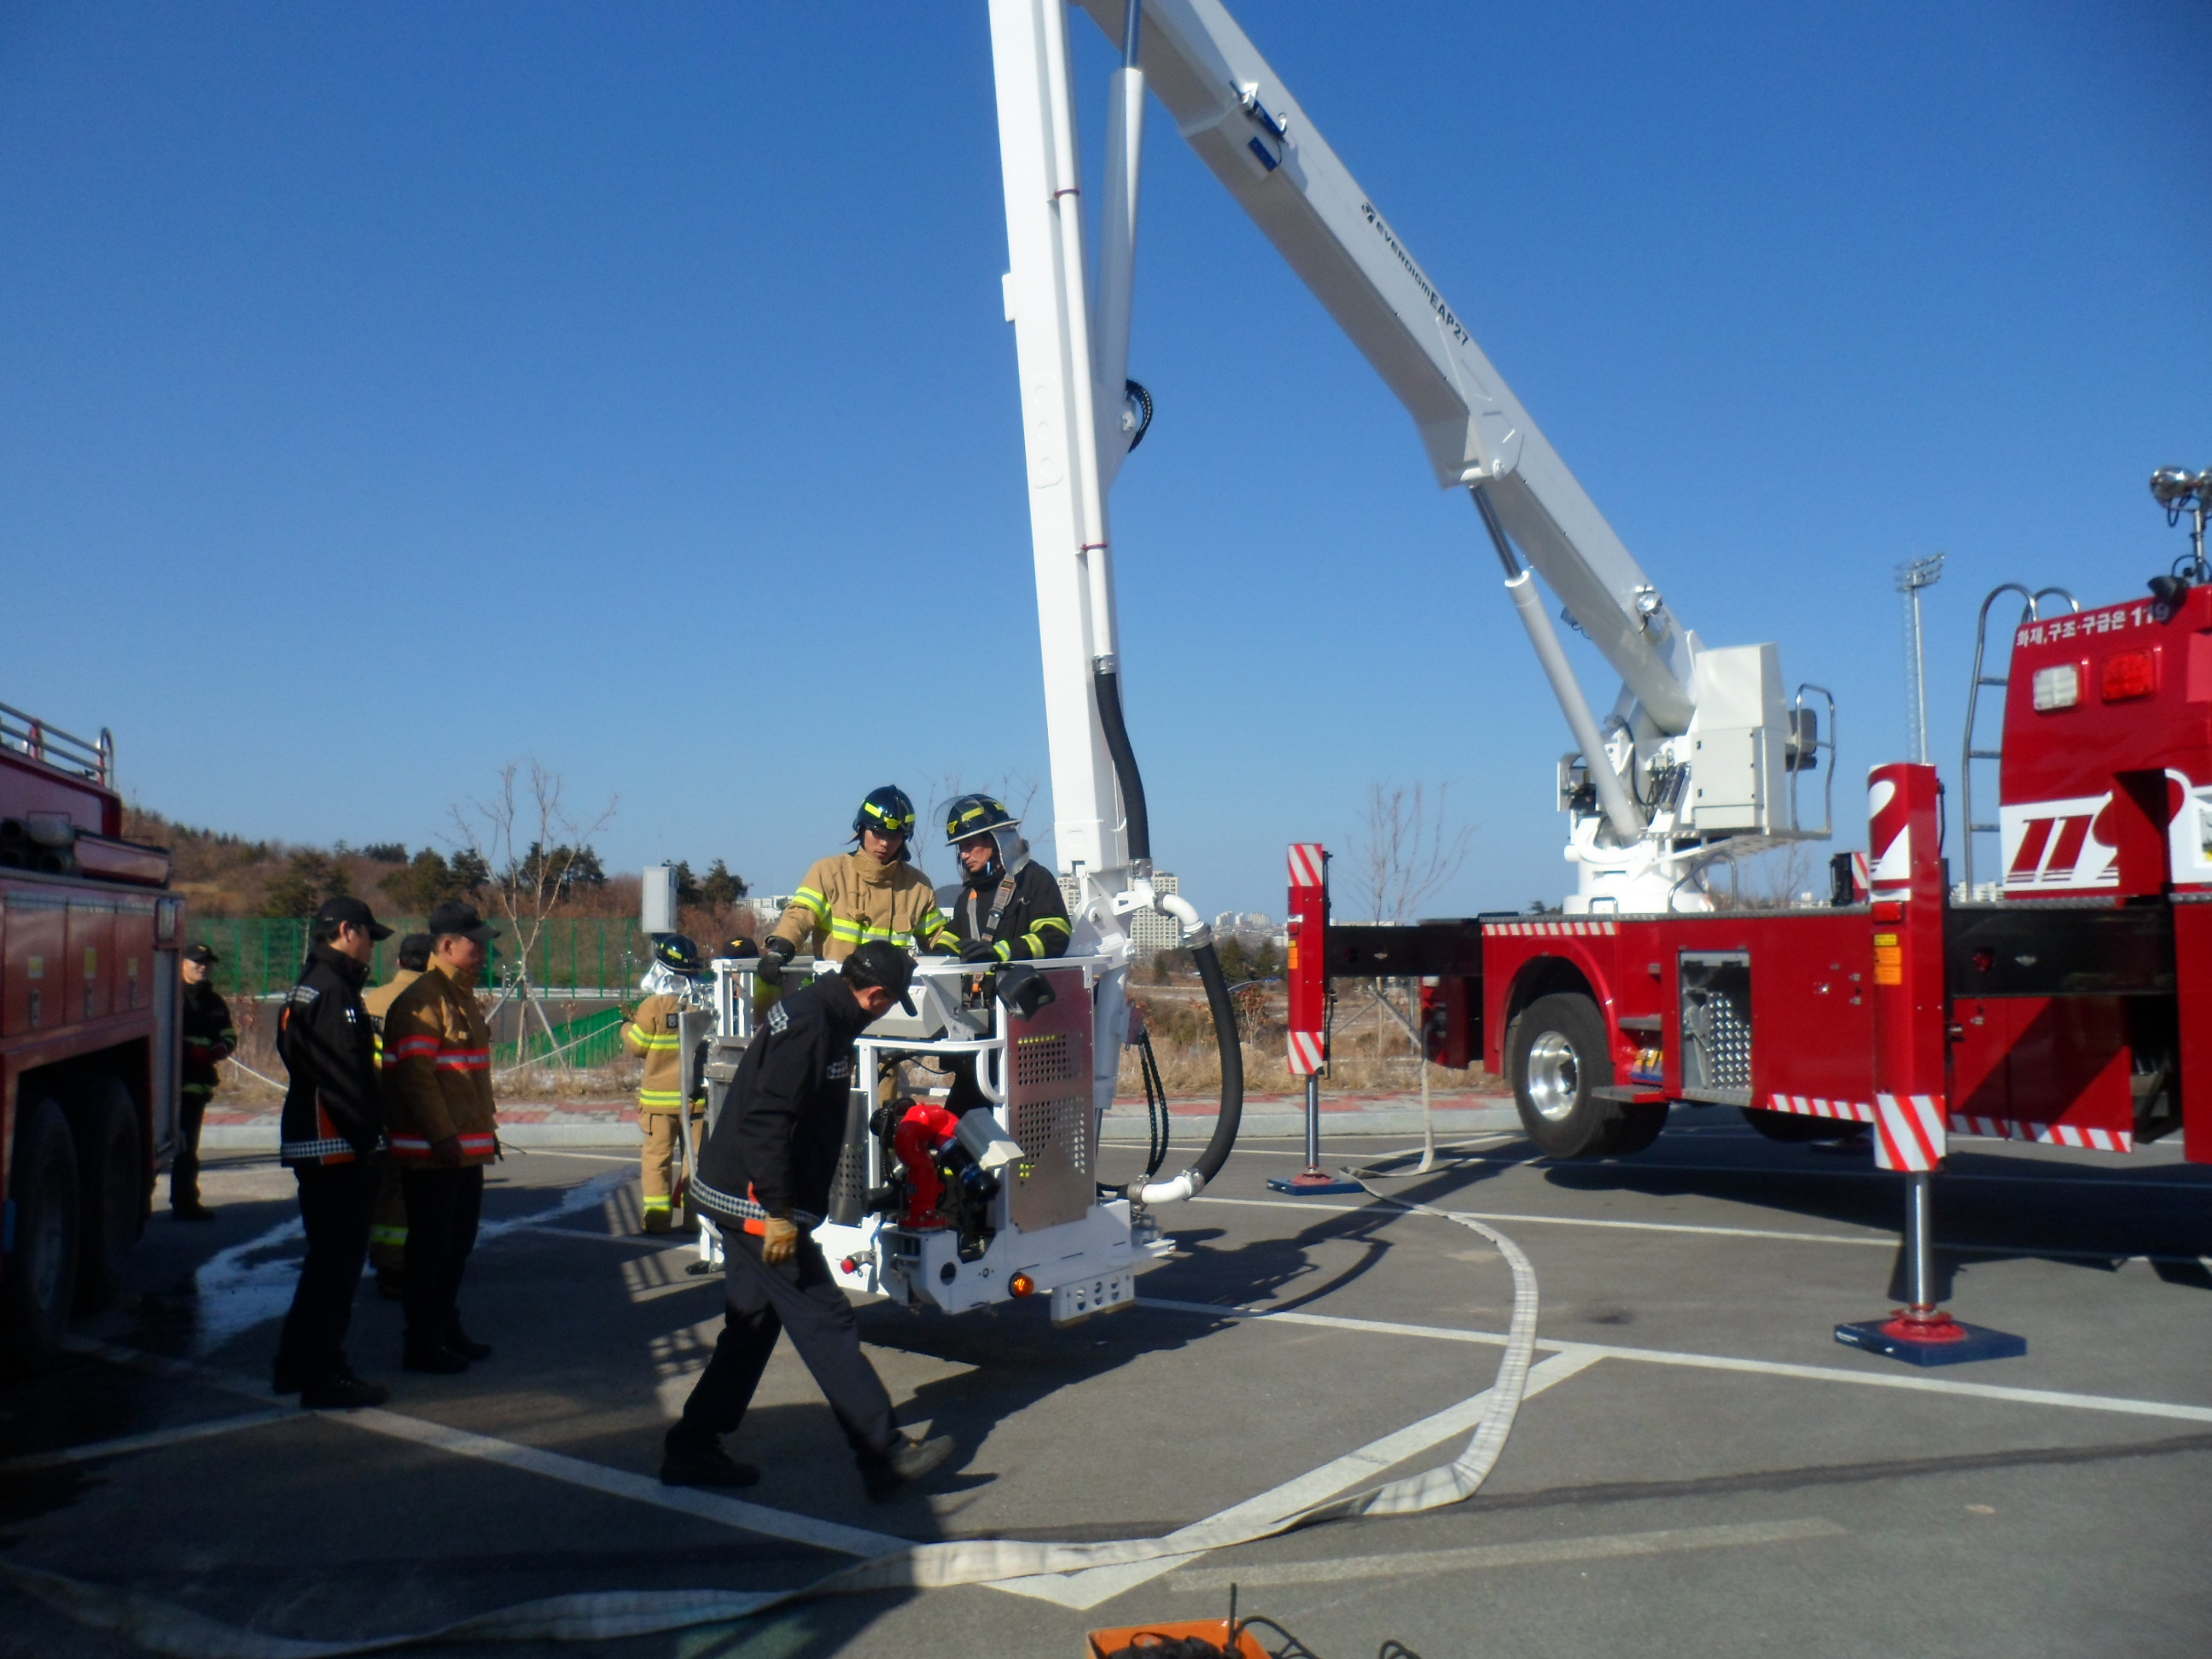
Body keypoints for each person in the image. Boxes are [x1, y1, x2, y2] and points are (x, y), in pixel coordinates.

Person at [666, 940, 955, 1501]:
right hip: (758, 1204)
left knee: (752, 1326)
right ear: (876, 995)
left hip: (745, 1194)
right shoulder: (813, 1024)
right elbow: (767, 1119)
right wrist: (777, 1212)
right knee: (825, 1320)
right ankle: (883, 1453)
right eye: (889, 1003)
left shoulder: (818, 1011)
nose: (884, 1013)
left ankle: (692, 1446)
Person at [271, 897, 394, 1409]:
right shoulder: (334, 990)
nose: (372, 948)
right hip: (336, 1148)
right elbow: (344, 1077)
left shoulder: (308, 983)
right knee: (336, 1269)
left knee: (323, 1263)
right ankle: (324, 1374)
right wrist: (370, 1142)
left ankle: (296, 1365)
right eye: (369, 937)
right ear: (347, 930)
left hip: (317, 1141)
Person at [385, 900, 502, 1375]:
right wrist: (442, 1135)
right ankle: (423, 1342)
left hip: (463, 1149)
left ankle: (445, 1328)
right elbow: (417, 1079)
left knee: (456, 1248)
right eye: (476, 943)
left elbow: (468, 1078)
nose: (484, 951)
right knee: (431, 1251)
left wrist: (483, 1131)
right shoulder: (423, 1000)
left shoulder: (460, 996)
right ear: (448, 945)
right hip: (435, 1153)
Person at [939, 794, 1072, 1115]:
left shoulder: (1034, 880)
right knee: (957, 1125)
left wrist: (1000, 953)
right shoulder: (968, 897)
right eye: (960, 847)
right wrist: (932, 960)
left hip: (1027, 1035)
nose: (964, 854)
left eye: (970, 844)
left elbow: (1055, 935)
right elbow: (950, 942)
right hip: (979, 1034)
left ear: (996, 840)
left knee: (1023, 1124)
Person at [756, 787, 958, 989]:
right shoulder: (828, 872)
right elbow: (800, 915)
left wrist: (957, 949)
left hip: (892, 998)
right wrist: (780, 949)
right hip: (837, 993)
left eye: (894, 836)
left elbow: (936, 936)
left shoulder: (918, 887)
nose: (885, 843)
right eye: (878, 833)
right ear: (861, 828)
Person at [362, 932, 434, 1297]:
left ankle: (383, 1257)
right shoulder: (428, 1002)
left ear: (399, 962)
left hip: (373, 1107)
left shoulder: (372, 1000)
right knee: (409, 1193)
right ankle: (399, 1266)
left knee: (384, 1189)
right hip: (412, 1111)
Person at [624, 933, 709, 1234]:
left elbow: (638, 1046)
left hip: (659, 1102)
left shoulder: (653, 1006)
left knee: (657, 1160)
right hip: (696, 1099)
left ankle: (658, 1221)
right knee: (695, 1162)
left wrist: (625, 1026)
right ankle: (695, 1220)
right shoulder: (703, 1002)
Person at [172, 943, 236, 1220]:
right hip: (170, 1084)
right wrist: (189, 1050)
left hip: (197, 1086)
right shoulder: (171, 995)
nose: (204, 966)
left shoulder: (214, 1001)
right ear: (182, 964)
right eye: (197, 961)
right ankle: (141, 1205)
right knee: (157, 1148)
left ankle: (185, 1202)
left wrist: (222, 1047)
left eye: (208, 962)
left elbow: (228, 1033)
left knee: (188, 1150)